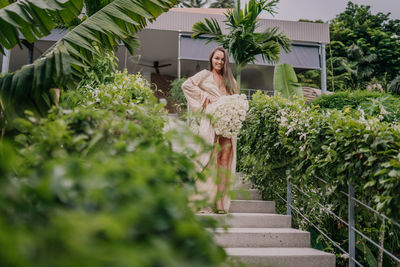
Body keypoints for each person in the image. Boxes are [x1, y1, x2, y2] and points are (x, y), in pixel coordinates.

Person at [181, 47, 238, 214]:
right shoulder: (204, 75)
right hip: (211, 121)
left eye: (222, 59)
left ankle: (220, 202)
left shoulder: (229, 78)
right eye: (217, 58)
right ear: (211, 59)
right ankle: (198, 198)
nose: (219, 62)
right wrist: (202, 95)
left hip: (227, 123)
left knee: (224, 161)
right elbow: (187, 85)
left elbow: (236, 97)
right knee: (206, 157)